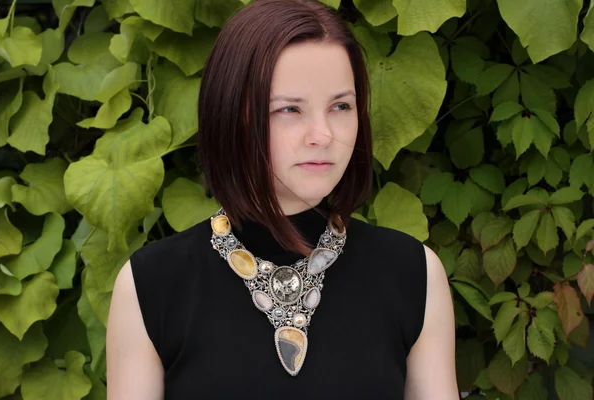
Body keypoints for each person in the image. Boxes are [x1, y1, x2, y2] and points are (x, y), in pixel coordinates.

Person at [106, 0, 458, 398]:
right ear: (232, 113)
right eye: (290, 109)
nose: (323, 134)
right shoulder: (152, 285)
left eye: (341, 106)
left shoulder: (413, 274)